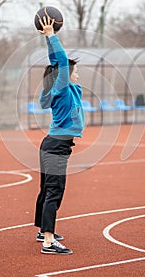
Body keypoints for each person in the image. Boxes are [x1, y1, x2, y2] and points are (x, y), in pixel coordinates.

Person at [34, 15, 85, 255]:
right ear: (66, 75)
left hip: (51, 144)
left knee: (46, 189)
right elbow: (61, 62)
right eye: (75, 71)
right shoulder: (62, 88)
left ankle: (42, 230)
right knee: (54, 191)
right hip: (55, 147)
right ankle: (48, 241)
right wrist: (52, 36)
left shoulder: (64, 88)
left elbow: (56, 63)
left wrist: (47, 39)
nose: (77, 74)